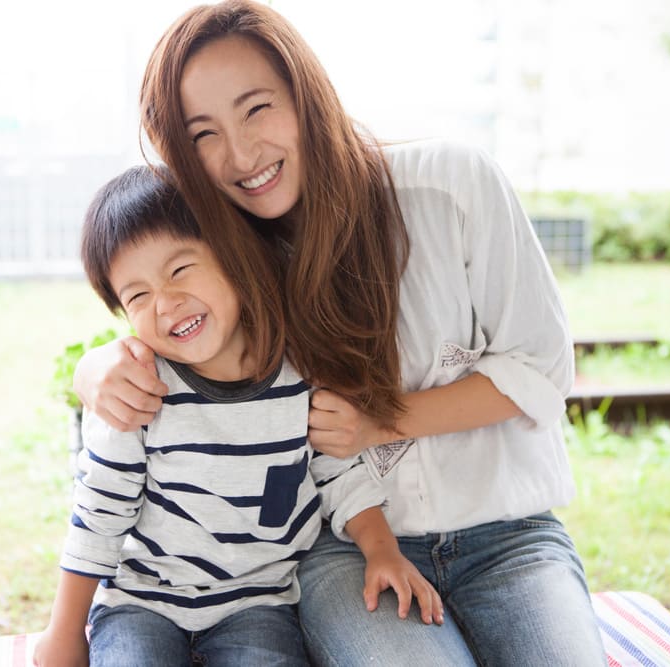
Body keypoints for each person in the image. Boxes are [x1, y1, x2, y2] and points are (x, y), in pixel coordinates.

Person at [72, 1, 609, 665]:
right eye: (203, 133)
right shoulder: (234, 256)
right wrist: (92, 368)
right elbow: (163, 307)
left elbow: (542, 369)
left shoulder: (452, 184)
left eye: (258, 108)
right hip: (345, 548)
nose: (242, 154)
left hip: (511, 536)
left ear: (304, 94)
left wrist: (376, 425)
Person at [33, 165, 443, 667]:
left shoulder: (302, 371)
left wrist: (381, 550)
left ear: (231, 255)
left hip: (257, 605)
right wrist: (63, 632)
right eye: (137, 296)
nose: (166, 303)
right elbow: (99, 513)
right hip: (141, 602)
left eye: (180, 270)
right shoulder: (136, 388)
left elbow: (339, 472)